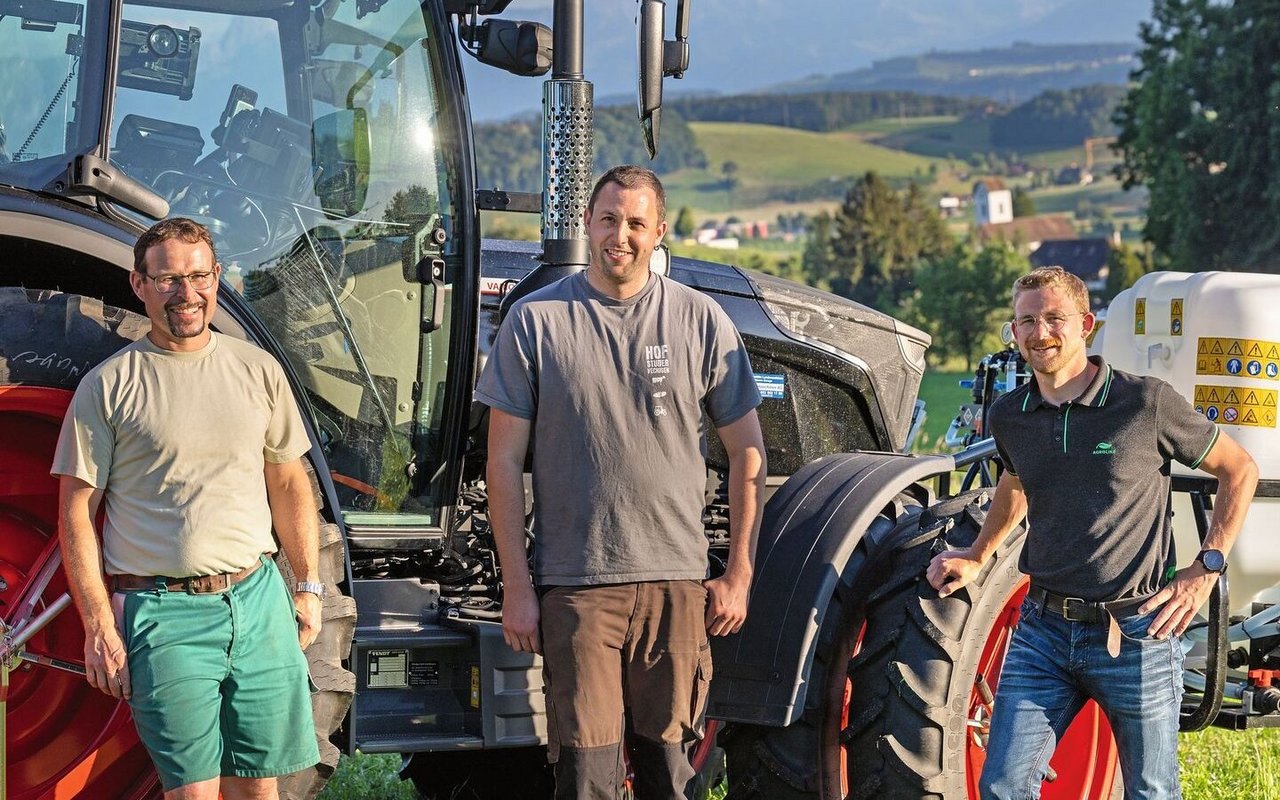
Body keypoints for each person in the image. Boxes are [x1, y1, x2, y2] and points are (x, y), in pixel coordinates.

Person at [476, 165, 766, 799]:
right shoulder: (536, 321)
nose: (621, 236)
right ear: (586, 224)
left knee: (669, 773)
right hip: (578, 590)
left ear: (660, 231)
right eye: (608, 219)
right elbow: (501, 464)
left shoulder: (701, 321)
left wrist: (738, 572)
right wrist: (518, 589)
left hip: (675, 587)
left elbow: (747, 452)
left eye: (637, 223)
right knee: (586, 778)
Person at [927, 266, 1258, 799]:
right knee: (1002, 788)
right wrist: (979, 552)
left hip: (1138, 631)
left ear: (1086, 323)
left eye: (1054, 318)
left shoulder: (1144, 403)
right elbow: (1016, 480)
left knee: (1151, 792)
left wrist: (1206, 569)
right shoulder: (1010, 415)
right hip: (1042, 631)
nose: (1040, 333)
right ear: (1013, 331)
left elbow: (1239, 468)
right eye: (1026, 321)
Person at [53, 217, 323, 800]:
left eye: (199, 276)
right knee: (193, 793)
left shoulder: (258, 370)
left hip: (256, 599)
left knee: (260, 790)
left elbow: (289, 482)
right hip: (164, 610)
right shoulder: (110, 385)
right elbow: (76, 512)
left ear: (218, 278)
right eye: (169, 279)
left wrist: (308, 586)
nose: (187, 293)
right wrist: (99, 624)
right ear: (139, 284)